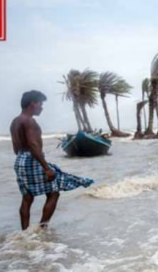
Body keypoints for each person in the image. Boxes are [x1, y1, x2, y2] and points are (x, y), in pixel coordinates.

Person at [10, 90, 95, 230]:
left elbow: (15, 148)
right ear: (33, 103)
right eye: (41, 104)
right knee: (53, 192)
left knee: (27, 197)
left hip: (20, 159)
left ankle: (25, 232)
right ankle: (42, 229)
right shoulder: (29, 121)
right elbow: (32, 144)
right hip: (32, 159)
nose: (42, 107)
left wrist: (26, 159)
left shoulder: (15, 121)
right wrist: (46, 168)